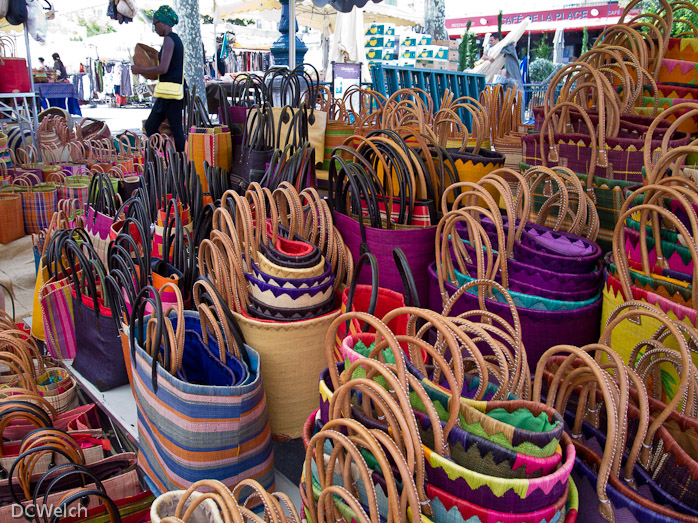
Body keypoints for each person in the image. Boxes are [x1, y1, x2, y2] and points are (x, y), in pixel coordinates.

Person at [131, 5, 186, 152]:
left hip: (172, 93)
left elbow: (163, 68)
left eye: (155, 24)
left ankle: (180, 162)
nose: (155, 28)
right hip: (167, 93)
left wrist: (139, 69)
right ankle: (165, 156)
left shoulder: (169, 40)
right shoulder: (173, 40)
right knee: (151, 125)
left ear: (163, 23)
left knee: (176, 129)